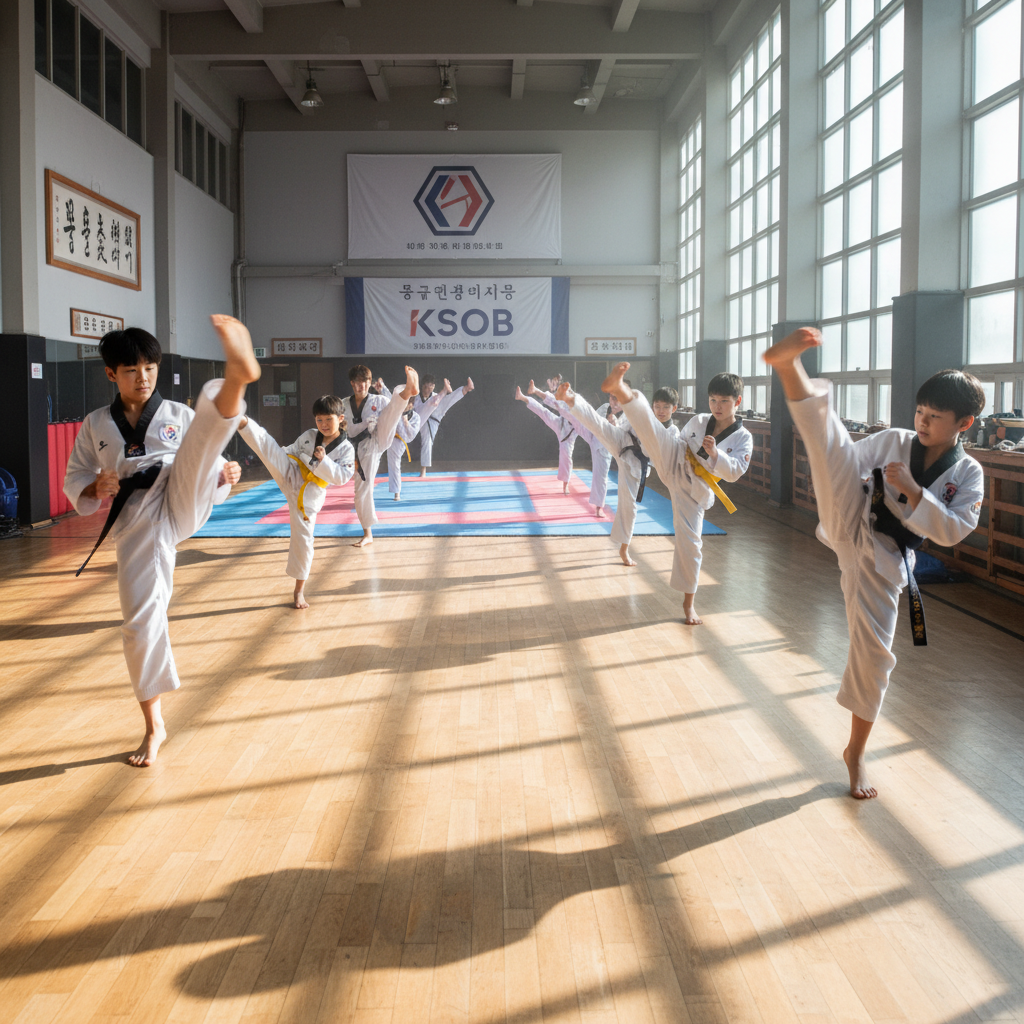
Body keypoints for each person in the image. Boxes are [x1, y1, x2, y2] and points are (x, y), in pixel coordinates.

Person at [763, 327, 985, 799]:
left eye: (935, 417)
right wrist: (863, 478)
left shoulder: (968, 473)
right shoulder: (895, 439)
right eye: (920, 412)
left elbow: (951, 530)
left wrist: (912, 491)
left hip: (887, 557)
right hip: (852, 517)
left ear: (963, 424)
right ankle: (788, 367)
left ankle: (855, 753)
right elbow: (847, 461)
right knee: (832, 447)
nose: (922, 422)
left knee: (875, 659)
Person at [63, 316, 258, 767]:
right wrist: (95, 488)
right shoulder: (96, 424)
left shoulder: (175, 414)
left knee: (201, 444)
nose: (143, 377)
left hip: (181, 495)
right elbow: (76, 476)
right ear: (111, 373)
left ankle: (235, 377)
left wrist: (224, 476)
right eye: (131, 370)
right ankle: (155, 725)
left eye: (150, 367)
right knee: (140, 623)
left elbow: (207, 460)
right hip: (138, 521)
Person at [602, 366, 752, 626]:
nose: (717, 406)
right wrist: (664, 449)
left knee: (690, 543)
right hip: (675, 457)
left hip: (694, 487)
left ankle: (689, 604)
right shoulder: (700, 420)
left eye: (724, 401)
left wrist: (716, 455)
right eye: (713, 400)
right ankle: (622, 389)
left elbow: (735, 472)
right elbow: (679, 440)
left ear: (737, 402)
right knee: (652, 428)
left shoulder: (743, 438)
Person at [238, 395, 355, 608]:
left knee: (303, 541)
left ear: (340, 418)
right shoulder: (310, 435)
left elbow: (342, 478)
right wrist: (281, 452)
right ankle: (241, 420)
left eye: (328, 419)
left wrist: (324, 460)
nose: (324, 425)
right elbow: (291, 450)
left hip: (309, 494)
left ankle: (299, 590)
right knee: (268, 445)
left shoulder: (346, 448)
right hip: (291, 474)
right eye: (319, 420)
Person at [554, 382, 650, 566]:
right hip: (610, 440)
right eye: (611, 397)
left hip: (634, 459)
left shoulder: (637, 409)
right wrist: (612, 424)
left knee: (629, 506)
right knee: (592, 421)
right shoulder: (607, 409)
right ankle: (568, 397)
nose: (612, 402)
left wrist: (617, 424)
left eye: (617, 397)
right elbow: (594, 421)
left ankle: (624, 547)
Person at [350, 365, 421, 547]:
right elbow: (343, 429)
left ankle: (407, 391)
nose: (362, 386)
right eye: (358, 383)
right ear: (352, 384)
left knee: (391, 412)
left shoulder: (378, 399)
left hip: (380, 437)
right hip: (363, 448)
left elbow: (392, 410)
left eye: (365, 382)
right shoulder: (344, 404)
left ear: (369, 383)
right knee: (362, 492)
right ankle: (368, 534)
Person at [514, 379, 581, 494]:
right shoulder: (563, 401)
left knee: (566, 457)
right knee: (544, 412)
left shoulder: (577, 404)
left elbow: (555, 402)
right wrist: (536, 391)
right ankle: (524, 396)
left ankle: (566, 485)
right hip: (560, 423)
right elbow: (553, 401)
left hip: (569, 435)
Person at [416, 375, 475, 477]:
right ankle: (423, 471)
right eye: (425, 387)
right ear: (421, 386)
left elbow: (446, 400)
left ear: (433, 387)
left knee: (447, 399)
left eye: (429, 387)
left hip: (434, 417)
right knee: (427, 441)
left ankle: (466, 388)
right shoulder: (416, 398)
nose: (427, 390)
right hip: (422, 419)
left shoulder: (435, 395)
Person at [387, 400, 422, 500]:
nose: (404, 405)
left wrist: (406, 422)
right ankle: (368, 489)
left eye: (407, 403)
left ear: (412, 404)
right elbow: (389, 397)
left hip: (399, 441)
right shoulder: (395, 411)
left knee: (395, 465)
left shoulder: (416, 417)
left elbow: (411, 435)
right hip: (386, 436)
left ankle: (396, 492)